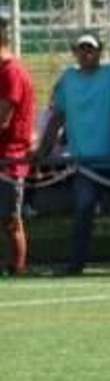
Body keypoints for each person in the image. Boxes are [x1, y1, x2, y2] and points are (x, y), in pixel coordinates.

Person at [37, 35, 110, 275]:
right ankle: (76, 265)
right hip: (85, 165)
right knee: (83, 211)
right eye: (81, 49)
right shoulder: (68, 79)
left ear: (100, 50)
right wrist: (43, 151)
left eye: (90, 49)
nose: (86, 54)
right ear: (74, 52)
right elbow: (57, 117)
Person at [0, 18, 34, 275]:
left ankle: (17, 269)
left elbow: (3, 117)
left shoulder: (11, 72)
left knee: (10, 219)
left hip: (8, 159)